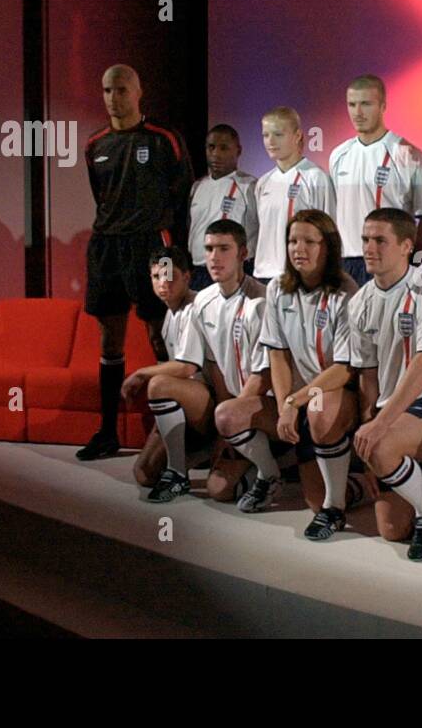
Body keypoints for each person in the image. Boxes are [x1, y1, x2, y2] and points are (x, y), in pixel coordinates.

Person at [77, 64, 194, 462]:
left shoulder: (164, 139)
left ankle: (174, 441)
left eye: (122, 89)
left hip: (151, 246)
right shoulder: (95, 145)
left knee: (162, 337)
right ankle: (107, 431)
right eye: (107, 89)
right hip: (108, 246)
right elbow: (101, 196)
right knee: (110, 340)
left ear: (139, 92)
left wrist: (174, 254)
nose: (114, 97)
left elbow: (182, 200)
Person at [349, 209, 422, 561]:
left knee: (381, 445)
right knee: (392, 530)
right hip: (391, 411)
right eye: (366, 239)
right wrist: (371, 419)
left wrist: (380, 426)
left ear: (406, 247)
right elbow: (368, 374)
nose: (370, 248)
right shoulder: (360, 301)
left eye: (380, 240)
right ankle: (405, 490)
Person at [258, 208, 375, 537]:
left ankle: (335, 508)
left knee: (320, 409)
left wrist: (295, 402)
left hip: (337, 395)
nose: (299, 248)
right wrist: (285, 405)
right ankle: (342, 487)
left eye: (310, 241)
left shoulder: (345, 292)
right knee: (231, 415)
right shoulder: (277, 290)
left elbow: (344, 369)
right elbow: (277, 355)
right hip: (301, 399)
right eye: (293, 241)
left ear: (329, 247)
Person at [146, 220, 272, 504]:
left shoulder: (262, 302)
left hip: (258, 406)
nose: (214, 257)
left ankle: (278, 464)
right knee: (144, 472)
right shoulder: (200, 303)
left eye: (223, 249)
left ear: (243, 254)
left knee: (220, 490)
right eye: (209, 249)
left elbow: (187, 368)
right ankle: (184, 467)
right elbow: (213, 367)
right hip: (217, 406)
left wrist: (229, 422)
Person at [121, 246, 214, 490]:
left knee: (159, 383)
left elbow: (186, 368)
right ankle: (195, 455)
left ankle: (181, 469)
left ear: (186, 276)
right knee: (144, 473)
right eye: (157, 277)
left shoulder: (196, 306)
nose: (164, 283)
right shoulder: (169, 315)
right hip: (185, 400)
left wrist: (141, 373)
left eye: (170, 276)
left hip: (211, 400)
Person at [328, 75, 422, 286]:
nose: (358, 112)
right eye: (352, 104)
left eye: (366, 104)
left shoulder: (407, 155)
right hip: (346, 262)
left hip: (390, 261)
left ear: (383, 106)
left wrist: (412, 262)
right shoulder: (339, 155)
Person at [253, 107, 335, 284]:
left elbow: (329, 233)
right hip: (264, 274)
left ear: (297, 136)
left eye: (278, 134)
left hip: (300, 275)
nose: (270, 141)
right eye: (265, 135)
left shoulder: (315, 178)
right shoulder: (263, 182)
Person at [187, 124, 257, 290]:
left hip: (235, 273)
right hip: (200, 272)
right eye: (211, 147)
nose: (216, 154)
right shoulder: (197, 186)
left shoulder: (250, 186)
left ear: (238, 151)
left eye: (224, 148)